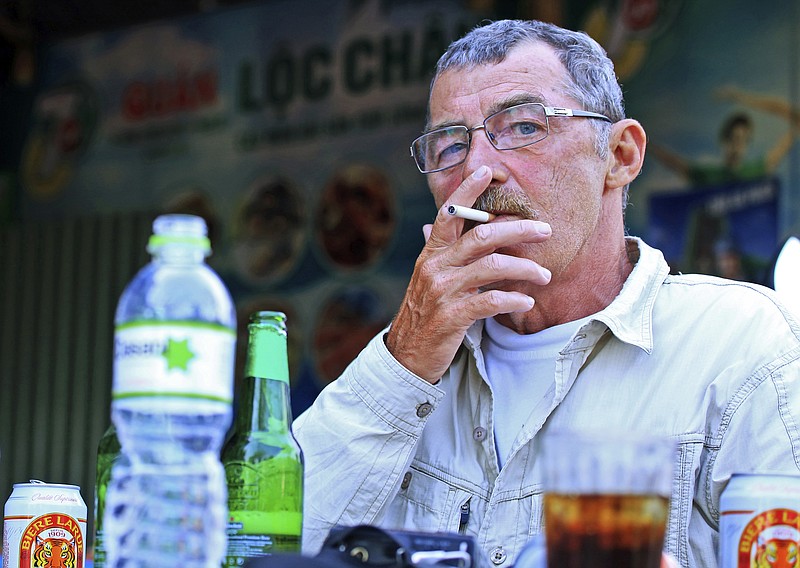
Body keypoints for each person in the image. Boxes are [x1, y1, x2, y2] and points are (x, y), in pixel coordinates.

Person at [293, 19, 800, 568]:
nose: (480, 169)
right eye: (449, 145)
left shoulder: (746, 345)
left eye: (523, 127)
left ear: (620, 155)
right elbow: (271, 544)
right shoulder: (413, 360)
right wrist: (405, 356)